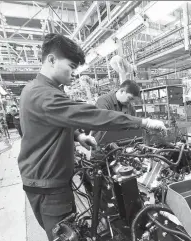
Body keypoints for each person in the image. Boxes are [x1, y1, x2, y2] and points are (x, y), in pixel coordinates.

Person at [17, 33, 166, 241]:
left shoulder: (37, 90)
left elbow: (51, 123)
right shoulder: (44, 95)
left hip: (45, 179)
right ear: (51, 60)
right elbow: (94, 116)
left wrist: (77, 136)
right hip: (49, 187)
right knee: (66, 235)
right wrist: (144, 122)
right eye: (71, 66)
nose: (74, 74)